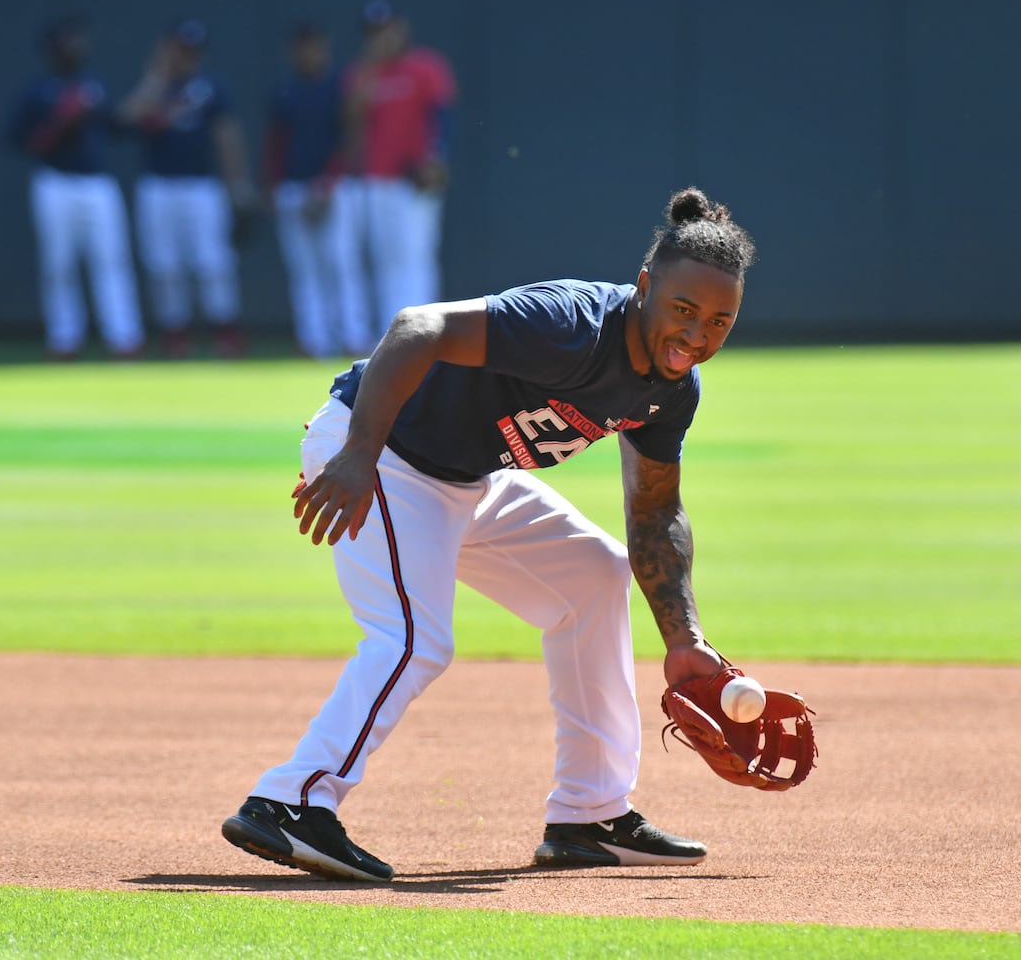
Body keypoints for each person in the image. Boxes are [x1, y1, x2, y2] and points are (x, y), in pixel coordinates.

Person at [222, 187, 757, 882]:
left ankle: (589, 814)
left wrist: (685, 640)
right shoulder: (571, 325)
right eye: (683, 310)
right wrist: (356, 454)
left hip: (466, 479)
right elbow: (418, 327)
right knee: (415, 638)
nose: (697, 335)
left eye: (720, 322)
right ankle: (289, 801)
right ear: (646, 287)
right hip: (382, 451)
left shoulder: (669, 392)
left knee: (595, 575)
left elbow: (654, 513)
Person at [5, 15, 144, 361]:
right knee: (59, 263)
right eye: (69, 41)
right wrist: (59, 121)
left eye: (80, 40)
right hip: (55, 182)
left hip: (97, 183)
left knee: (112, 260)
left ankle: (123, 337)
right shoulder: (37, 90)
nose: (77, 47)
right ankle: (64, 338)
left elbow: (116, 126)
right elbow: (17, 140)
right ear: (52, 48)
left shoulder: (93, 85)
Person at [118, 19, 257, 359]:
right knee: (164, 264)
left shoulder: (210, 87)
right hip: (158, 186)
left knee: (213, 262)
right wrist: (155, 77)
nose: (186, 56)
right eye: (180, 48)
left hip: (202, 187)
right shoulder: (155, 86)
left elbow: (227, 137)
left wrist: (237, 185)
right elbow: (124, 119)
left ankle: (226, 330)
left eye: (192, 50)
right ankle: (175, 333)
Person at [334, 0, 457, 341]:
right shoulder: (361, 72)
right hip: (375, 179)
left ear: (401, 29)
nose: (381, 38)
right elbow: (349, 122)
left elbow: (442, 117)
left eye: (386, 29)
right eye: (373, 32)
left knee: (416, 257)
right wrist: (369, 70)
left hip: (413, 178)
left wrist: (436, 158)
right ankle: (391, 336)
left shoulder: (426, 66)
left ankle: (424, 335)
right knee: (384, 261)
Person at [264, 23, 372, 359]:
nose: (310, 54)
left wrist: (329, 182)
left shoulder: (340, 88)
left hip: (334, 188)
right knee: (304, 269)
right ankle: (313, 339)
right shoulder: (286, 91)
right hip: (293, 189)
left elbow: (352, 138)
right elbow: (277, 143)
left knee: (342, 264)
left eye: (316, 46)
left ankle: (354, 336)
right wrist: (272, 185)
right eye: (303, 47)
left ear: (326, 48)